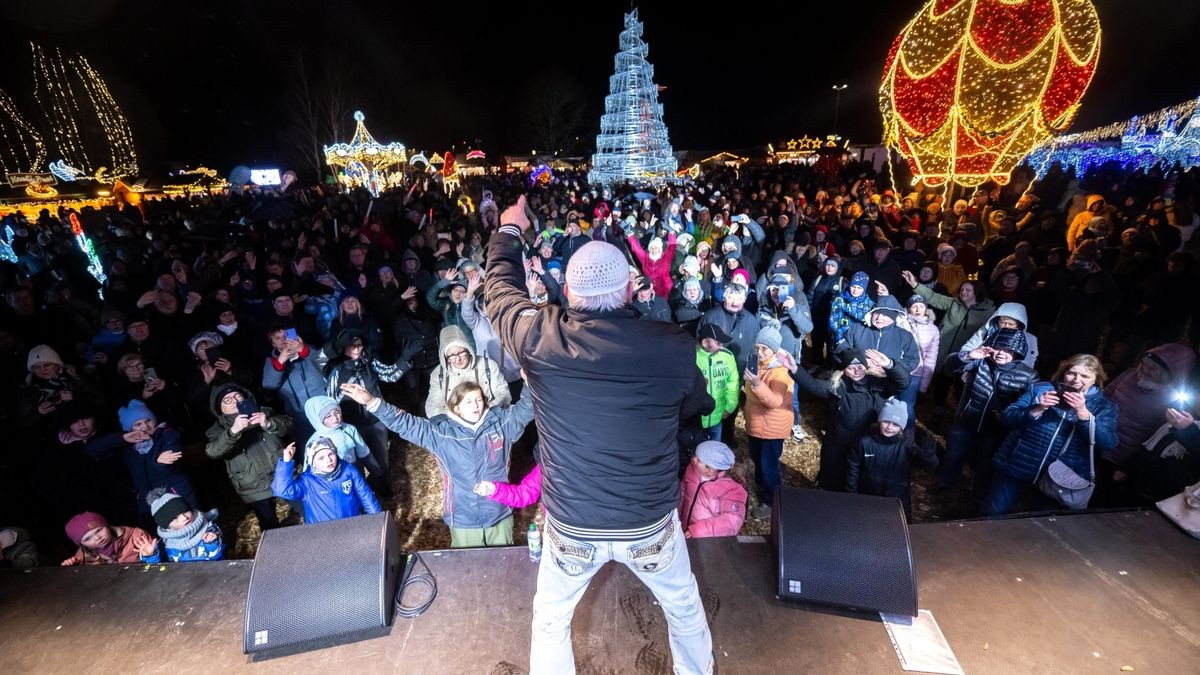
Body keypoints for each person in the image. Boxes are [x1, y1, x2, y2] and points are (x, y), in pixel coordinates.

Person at [484, 197, 715, 675]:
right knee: (684, 610)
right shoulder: (672, 347)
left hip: (572, 526)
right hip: (649, 523)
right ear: (631, 287)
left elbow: (499, 294)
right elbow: (699, 406)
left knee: (550, 621)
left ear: (567, 290)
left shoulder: (540, 340)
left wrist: (509, 230)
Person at [341, 381, 535, 547]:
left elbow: (528, 407)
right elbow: (405, 424)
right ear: (456, 407)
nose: (475, 405)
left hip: (499, 512)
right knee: (468, 569)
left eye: (478, 399)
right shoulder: (441, 433)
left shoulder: (501, 424)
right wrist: (372, 402)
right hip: (463, 517)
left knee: (503, 566)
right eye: (468, 402)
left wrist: (530, 381)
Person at [986, 354, 1118, 516]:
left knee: (1041, 524)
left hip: (1058, 477)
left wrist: (1083, 414)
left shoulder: (1103, 406)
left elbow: (1107, 443)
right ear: (1063, 372)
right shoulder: (1041, 389)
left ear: (1096, 379)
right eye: (1072, 373)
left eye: (1085, 376)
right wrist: (1037, 408)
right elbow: (1008, 418)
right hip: (1018, 462)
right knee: (994, 513)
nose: (1076, 379)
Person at [781, 348, 910, 493]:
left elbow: (903, 383)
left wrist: (890, 365)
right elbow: (814, 386)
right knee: (836, 483)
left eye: (860, 366)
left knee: (863, 483)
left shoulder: (877, 384)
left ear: (866, 367)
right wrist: (795, 368)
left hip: (869, 446)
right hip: (840, 445)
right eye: (851, 368)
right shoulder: (838, 386)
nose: (856, 371)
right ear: (843, 369)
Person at [937, 329, 1038, 497]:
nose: (1000, 353)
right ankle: (944, 485)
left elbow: (1027, 404)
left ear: (1017, 352)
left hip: (994, 429)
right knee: (953, 455)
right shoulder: (981, 362)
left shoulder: (1028, 375)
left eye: (1007, 350)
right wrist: (968, 355)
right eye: (997, 348)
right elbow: (950, 364)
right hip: (966, 421)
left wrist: (1006, 414)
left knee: (985, 465)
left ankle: (977, 499)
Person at [204, 384, 290, 531]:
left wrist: (268, 423)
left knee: (303, 508)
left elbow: (288, 425)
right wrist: (233, 431)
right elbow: (212, 451)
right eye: (227, 400)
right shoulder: (217, 429)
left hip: (281, 473)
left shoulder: (263, 412)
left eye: (237, 396)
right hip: (253, 484)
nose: (235, 401)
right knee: (269, 525)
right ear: (220, 408)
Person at [846, 398, 937, 519]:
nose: (889, 427)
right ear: (880, 421)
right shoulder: (864, 442)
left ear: (901, 427)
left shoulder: (907, 445)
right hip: (867, 496)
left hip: (897, 499)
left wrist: (929, 456)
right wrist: (852, 495)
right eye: (886, 421)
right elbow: (853, 469)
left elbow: (929, 466)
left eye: (895, 424)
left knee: (895, 531)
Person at [743, 326, 795, 519]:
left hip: (772, 428)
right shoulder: (757, 364)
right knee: (757, 458)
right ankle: (763, 485)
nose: (759, 352)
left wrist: (756, 384)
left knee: (768, 465)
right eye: (757, 347)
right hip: (757, 424)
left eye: (765, 348)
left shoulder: (781, 372)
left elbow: (775, 402)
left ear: (775, 350)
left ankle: (771, 501)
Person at [271, 438, 381, 524]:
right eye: (321, 458)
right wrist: (286, 463)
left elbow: (366, 496)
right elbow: (282, 491)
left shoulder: (348, 470)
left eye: (330, 454)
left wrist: (377, 521)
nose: (328, 460)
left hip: (351, 524)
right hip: (322, 532)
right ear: (312, 462)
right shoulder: (307, 481)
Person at [426, 325, 511, 418]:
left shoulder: (488, 365)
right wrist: (458, 417)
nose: (458, 359)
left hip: (489, 418)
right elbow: (432, 407)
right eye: (452, 355)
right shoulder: (438, 374)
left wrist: (485, 411)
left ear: (468, 350)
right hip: (455, 424)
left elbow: (503, 393)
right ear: (445, 358)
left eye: (461, 353)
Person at [679, 441, 747, 538]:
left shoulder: (731, 489)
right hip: (685, 527)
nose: (694, 459)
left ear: (711, 469)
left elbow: (732, 521)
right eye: (696, 456)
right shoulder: (692, 469)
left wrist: (699, 530)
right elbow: (683, 492)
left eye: (699, 460)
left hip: (707, 538)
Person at [144, 488, 224, 562]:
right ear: (166, 525)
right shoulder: (164, 543)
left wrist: (212, 543)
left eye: (185, 511)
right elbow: (160, 570)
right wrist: (151, 556)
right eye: (175, 518)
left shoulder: (209, 529)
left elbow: (216, 558)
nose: (184, 518)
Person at [60, 511, 157, 566]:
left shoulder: (136, 536)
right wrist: (72, 569)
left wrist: (151, 555)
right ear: (82, 544)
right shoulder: (82, 555)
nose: (98, 538)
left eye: (98, 530)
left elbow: (159, 564)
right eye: (88, 539)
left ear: (107, 526)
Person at [695, 323, 739, 442]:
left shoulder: (727, 357)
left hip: (717, 418)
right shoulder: (691, 357)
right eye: (718, 343)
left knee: (714, 454)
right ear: (705, 343)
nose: (721, 347)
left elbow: (733, 384)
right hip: (696, 421)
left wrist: (729, 408)